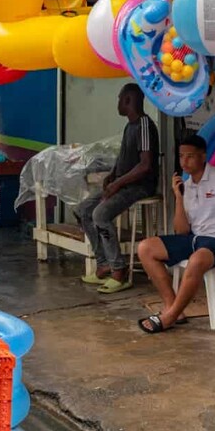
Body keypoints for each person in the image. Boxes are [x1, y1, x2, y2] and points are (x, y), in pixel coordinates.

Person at [136, 135, 215, 333]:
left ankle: (169, 317)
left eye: (190, 156)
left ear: (203, 156)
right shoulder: (187, 186)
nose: (184, 162)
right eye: (181, 156)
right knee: (145, 248)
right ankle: (173, 308)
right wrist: (178, 197)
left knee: (197, 260)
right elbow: (182, 231)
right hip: (195, 239)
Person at [76, 83, 159, 294]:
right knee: (83, 210)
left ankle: (119, 270)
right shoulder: (129, 126)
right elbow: (124, 157)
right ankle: (103, 263)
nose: (118, 104)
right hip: (123, 184)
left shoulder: (144, 125)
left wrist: (117, 183)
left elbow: (145, 165)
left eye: (120, 99)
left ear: (128, 100)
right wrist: (113, 175)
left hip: (139, 187)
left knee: (100, 214)